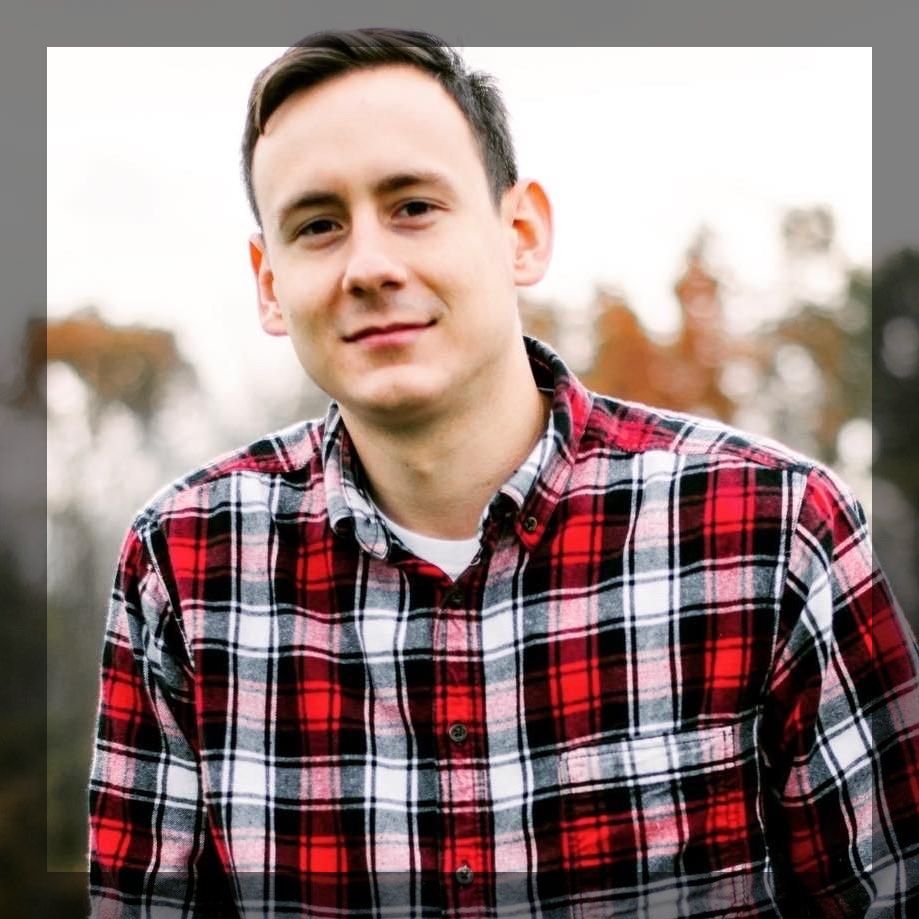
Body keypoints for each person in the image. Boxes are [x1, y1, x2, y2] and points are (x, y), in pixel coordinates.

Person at [88, 30, 919, 918]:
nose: (369, 267)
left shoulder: (773, 529)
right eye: (318, 225)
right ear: (269, 283)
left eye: (413, 206)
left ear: (520, 235)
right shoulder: (183, 565)